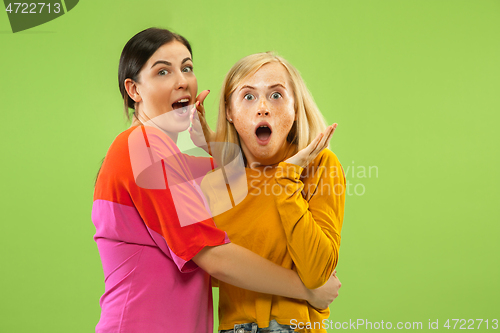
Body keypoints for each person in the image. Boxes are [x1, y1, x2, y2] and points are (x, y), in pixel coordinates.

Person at [92, 28, 341, 333]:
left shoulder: (173, 161)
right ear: (134, 90)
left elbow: (252, 176)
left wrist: (217, 146)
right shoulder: (141, 146)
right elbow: (215, 257)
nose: (182, 80)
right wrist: (307, 291)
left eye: (187, 67)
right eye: (163, 72)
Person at [200, 52, 346, 333]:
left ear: (295, 107)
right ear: (229, 112)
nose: (263, 107)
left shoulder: (321, 166)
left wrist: (287, 179)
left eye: (277, 95)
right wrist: (212, 157)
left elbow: (317, 273)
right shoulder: (218, 179)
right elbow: (211, 270)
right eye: (248, 96)